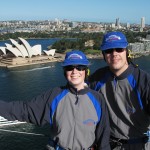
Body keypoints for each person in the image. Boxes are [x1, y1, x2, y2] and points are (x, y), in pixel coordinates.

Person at [0, 50, 110, 150]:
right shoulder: (54, 95)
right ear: (64, 72)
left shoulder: (98, 99)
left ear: (86, 71)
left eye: (80, 67)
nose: (74, 71)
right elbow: (25, 110)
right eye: (69, 67)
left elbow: (103, 136)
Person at [88, 31, 150, 150]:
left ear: (126, 52)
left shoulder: (143, 81)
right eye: (109, 50)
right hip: (107, 144)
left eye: (119, 49)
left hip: (139, 145)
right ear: (104, 54)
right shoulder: (97, 78)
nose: (114, 54)